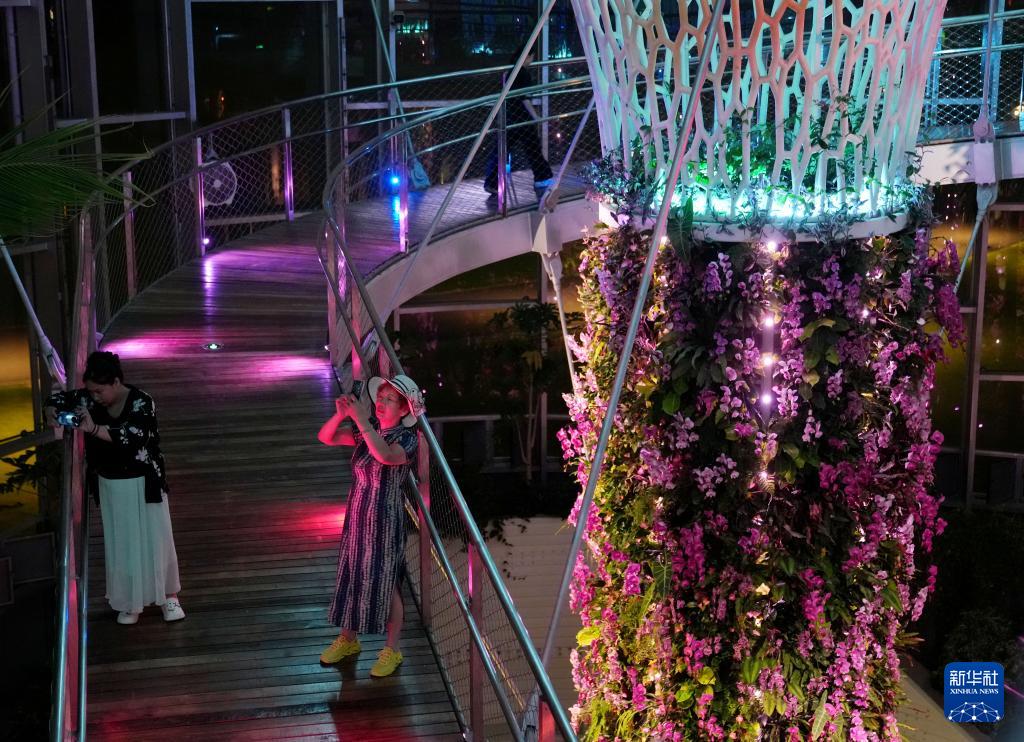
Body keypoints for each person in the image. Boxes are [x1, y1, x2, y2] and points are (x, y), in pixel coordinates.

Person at [45, 351, 184, 625]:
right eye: (91, 391)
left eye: (100, 390)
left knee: (157, 537)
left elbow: (133, 436)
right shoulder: (87, 398)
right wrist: (51, 409)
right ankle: (130, 600)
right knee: (122, 542)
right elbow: (60, 399)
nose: (95, 396)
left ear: (116, 382)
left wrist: (94, 429)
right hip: (111, 481)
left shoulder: (142, 401)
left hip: (145, 479)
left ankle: (169, 595)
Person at [317, 374, 424, 677]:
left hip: (385, 517)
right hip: (358, 512)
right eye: (380, 397)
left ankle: (392, 649)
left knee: (386, 580)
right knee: (352, 572)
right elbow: (325, 437)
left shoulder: (406, 439)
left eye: (389, 400)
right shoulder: (369, 430)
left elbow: (386, 456)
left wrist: (362, 421)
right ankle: (348, 639)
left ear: (403, 410)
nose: (381, 402)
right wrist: (340, 415)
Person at [484, 42, 555, 195]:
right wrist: (536, 117)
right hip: (522, 118)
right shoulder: (523, 74)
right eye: (532, 58)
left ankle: (491, 182)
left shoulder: (511, 72)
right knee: (533, 149)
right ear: (527, 56)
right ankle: (543, 178)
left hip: (511, 117)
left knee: (501, 150)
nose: (532, 61)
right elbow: (525, 98)